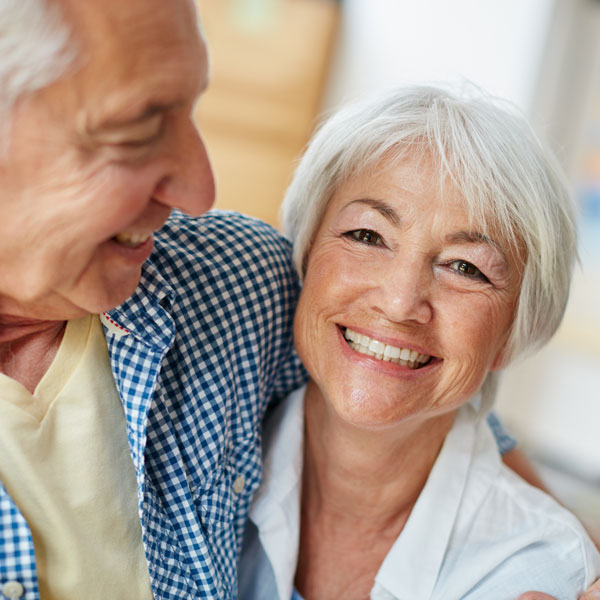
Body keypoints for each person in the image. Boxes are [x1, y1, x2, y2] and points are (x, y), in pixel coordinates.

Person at [0, 1, 597, 599]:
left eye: (465, 267)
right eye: (137, 126)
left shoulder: (225, 282)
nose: (200, 188)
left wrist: (562, 541)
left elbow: (411, 384)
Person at [238, 86, 600, 599]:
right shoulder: (200, 463)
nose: (400, 301)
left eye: (465, 267)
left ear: (511, 336)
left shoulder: (539, 570)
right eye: (367, 236)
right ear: (304, 257)